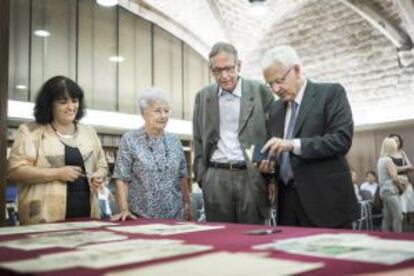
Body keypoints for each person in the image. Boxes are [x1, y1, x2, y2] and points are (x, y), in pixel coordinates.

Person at [259, 45, 356, 228]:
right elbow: (275, 151)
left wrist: (293, 145)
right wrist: (268, 168)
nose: (276, 89)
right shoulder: (275, 109)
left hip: (326, 202)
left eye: (279, 80)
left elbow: (341, 140)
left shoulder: (330, 93)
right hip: (287, 203)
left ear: (296, 70)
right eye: (270, 84)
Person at [192, 42, 275, 224]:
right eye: (217, 70)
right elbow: (197, 140)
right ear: (211, 69)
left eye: (229, 68)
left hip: (252, 176)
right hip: (215, 177)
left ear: (238, 65)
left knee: (255, 237)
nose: (224, 76)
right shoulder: (203, 97)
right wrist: (203, 178)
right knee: (219, 238)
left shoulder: (261, 92)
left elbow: (273, 135)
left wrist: (272, 179)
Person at [7, 76, 108, 225]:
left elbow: (102, 164)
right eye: (63, 102)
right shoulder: (30, 131)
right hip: (43, 220)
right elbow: (15, 170)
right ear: (49, 104)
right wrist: (57, 173)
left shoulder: (89, 132)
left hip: (88, 217)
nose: (71, 107)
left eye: (74, 101)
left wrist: (99, 175)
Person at [111, 88, 191, 221]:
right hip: (141, 217)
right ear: (144, 113)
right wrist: (123, 210)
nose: (163, 115)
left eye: (166, 111)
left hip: (175, 217)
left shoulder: (175, 140)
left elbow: (182, 176)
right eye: (157, 111)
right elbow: (121, 178)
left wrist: (187, 205)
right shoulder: (130, 139)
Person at [377, 137, 407, 232]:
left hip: (383, 192)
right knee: (398, 216)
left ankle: (385, 237)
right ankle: (398, 238)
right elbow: (395, 178)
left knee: (387, 217)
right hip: (391, 191)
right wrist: (402, 187)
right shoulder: (388, 160)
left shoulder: (381, 160)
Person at [388, 133, 414, 224]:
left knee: (411, 204)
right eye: (393, 140)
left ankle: (410, 226)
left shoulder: (402, 153)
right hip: (394, 182)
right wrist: (405, 167)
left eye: (398, 140)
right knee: (398, 209)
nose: (396, 142)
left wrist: (399, 168)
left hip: (406, 181)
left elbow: (411, 167)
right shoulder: (387, 155)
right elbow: (392, 170)